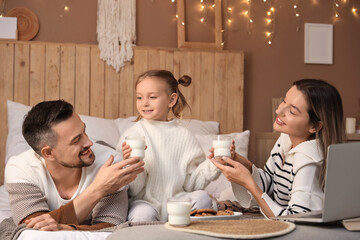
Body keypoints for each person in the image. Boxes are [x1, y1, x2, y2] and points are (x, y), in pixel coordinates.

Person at [211, 79, 345, 218]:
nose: (278, 110)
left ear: (315, 127)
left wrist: (249, 183)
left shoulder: (310, 162)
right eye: (284, 101)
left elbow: (295, 219)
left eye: (292, 111)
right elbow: (271, 183)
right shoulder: (285, 139)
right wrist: (243, 164)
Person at [5, 100, 145, 231]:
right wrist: (98, 189)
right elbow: (34, 230)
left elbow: (110, 228)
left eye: (84, 131)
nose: (89, 142)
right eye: (76, 140)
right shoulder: (21, 168)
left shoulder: (111, 164)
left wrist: (65, 228)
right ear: (48, 153)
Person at [117, 70, 220, 222]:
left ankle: (180, 230)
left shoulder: (183, 135)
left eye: (152, 97)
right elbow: (133, 190)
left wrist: (215, 162)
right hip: (144, 203)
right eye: (139, 97)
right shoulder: (132, 135)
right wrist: (131, 163)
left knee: (202, 198)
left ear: (171, 100)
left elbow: (192, 184)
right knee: (142, 215)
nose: (144, 102)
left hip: (177, 201)